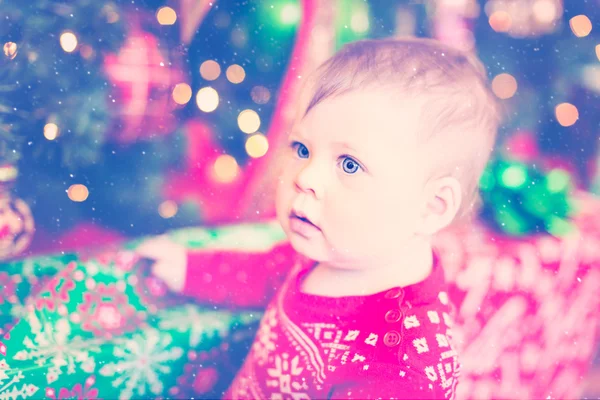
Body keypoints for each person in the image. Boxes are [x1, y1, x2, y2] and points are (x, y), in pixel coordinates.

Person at [136, 37, 501, 399]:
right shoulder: (331, 249)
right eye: (302, 148)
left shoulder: (402, 370)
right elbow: (262, 272)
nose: (305, 177)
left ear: (431, 207)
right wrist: (189, 268)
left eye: (349, 164)